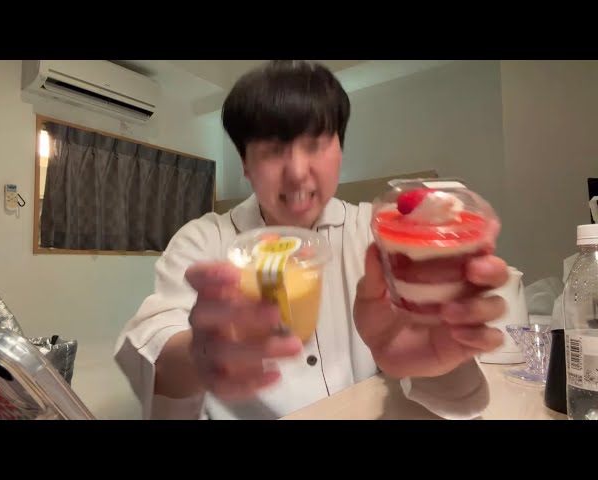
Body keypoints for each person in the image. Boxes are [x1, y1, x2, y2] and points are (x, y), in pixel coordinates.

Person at [114, 60, 509, 420]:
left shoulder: (377, 236)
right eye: (272, 150)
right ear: (246, 165)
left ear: (340, 151)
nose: (297, 172)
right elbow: (157, 344)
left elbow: (441, 379)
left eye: (316, 144)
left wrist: (438, 356)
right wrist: (201, 352)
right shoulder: (204, 240)